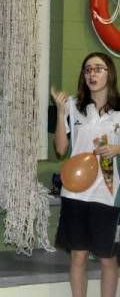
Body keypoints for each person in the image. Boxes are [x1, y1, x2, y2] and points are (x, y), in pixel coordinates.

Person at [51, 52, 120, 297]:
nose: (92, 73)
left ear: (109, 73)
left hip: (106, 193)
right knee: (78, 256)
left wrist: (117, 148)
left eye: (98, 68)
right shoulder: (72, 105)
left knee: (106, 257)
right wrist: (60, 113)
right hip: (75, 193)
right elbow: (60, 149)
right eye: (87, 69)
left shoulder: (119, 111)